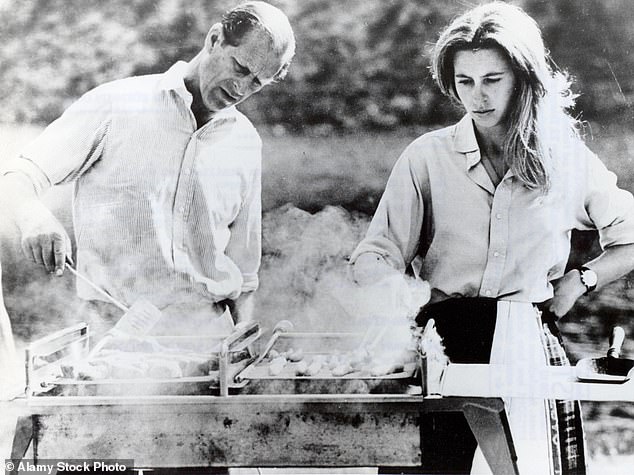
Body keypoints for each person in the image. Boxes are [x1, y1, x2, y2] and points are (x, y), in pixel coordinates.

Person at [350, 2, 634, 474]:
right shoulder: (427, 157)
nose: (477, 97)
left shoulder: (564, 159)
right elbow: (375, 255)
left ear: (523, 77)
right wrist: (402, 296)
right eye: (465, 82)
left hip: (528, 343)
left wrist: (579, 281)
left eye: (492, 80)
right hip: (442, 348)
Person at [0, 2, 295, 336]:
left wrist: (241, 350)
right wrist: (33, 218)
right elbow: (17, 178)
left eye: (257, 83)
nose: (241, 89)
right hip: (114, 337)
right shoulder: (115, 105)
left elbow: (244, 272)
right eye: (240, 68)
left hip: (209, 338)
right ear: (215, 39)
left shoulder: (245, 142)